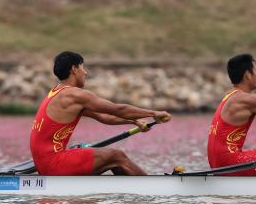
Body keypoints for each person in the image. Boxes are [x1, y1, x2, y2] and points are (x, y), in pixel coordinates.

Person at [30, 51, 172, 175]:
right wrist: (153, 113)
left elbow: (104, 117)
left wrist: (134, 121)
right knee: (117, 156)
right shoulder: (74, 95)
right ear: (74, 69)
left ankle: (130, 188)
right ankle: (150, 188)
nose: (85, 72)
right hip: (54, 164)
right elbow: (118, 109)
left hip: (44, 165)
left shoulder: (57, 92)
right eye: (82, 67)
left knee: (106, 157)